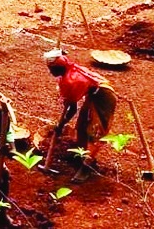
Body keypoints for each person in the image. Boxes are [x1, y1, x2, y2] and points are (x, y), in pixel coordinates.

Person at [43, 49, 118, 183]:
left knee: (95, 132)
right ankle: (81, 153)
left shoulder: (72, 80)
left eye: (51, 69)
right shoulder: (68, 72)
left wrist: (61, 125)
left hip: (104, 97)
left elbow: (72, 109)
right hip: (93, 95)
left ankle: (86, 167)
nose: (50, 72)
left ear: (58, 67)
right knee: (82, 125)